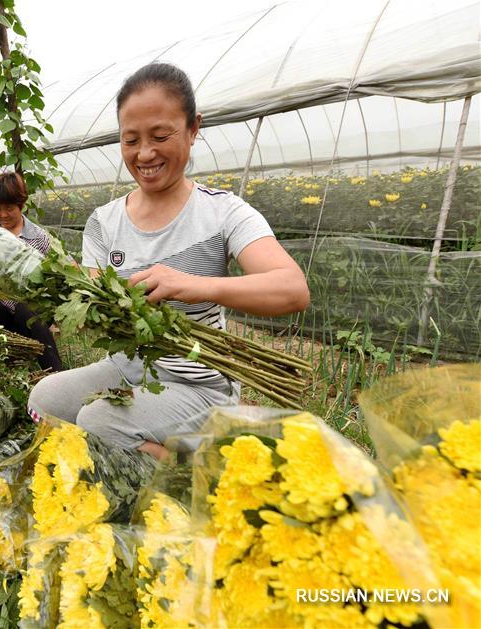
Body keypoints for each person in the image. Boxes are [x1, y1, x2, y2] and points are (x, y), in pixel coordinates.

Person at [26, 63, 310, 459]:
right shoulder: (103, 222)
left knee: (100, 422)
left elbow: (292, 289)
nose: (145, 154)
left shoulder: (223, 212)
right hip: (126, 370)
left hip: (199, 385)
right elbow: (92, 301)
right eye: (130, 140)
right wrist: (80, 297)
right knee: (45, 399)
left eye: (161, 136)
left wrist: (194, 285)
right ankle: (133, 452)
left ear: (193, 129)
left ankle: (209, 468)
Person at [0, 172, 63, 372]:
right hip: (2, 312)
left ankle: (55, 373)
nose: (2, 215)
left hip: (32, 312)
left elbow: (56, 278)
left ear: (21, 205)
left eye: (9, 209)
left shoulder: (39, 239)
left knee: (26, 308)